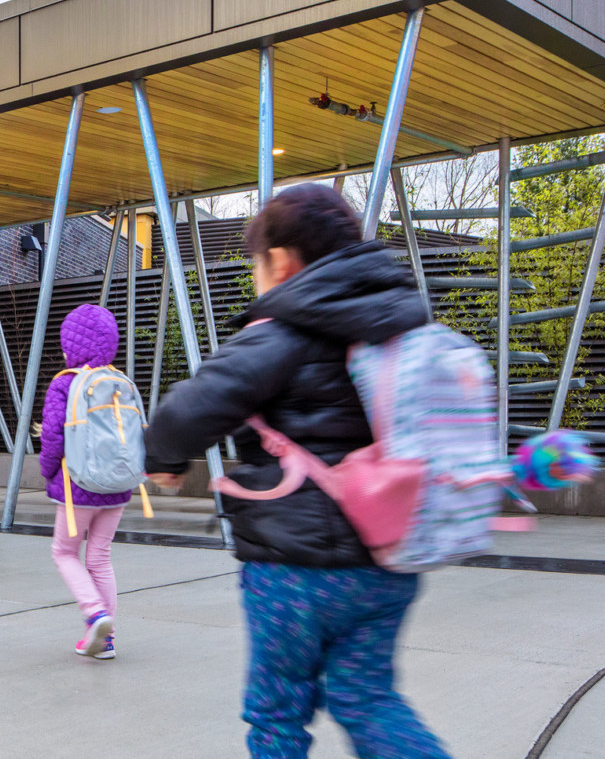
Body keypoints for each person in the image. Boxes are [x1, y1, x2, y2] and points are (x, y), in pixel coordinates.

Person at [143, 184, 448, 759]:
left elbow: (183, 414)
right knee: (369, 700)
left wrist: (163, 460)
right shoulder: (400, 331)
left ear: (280, 262)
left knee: (278, 712)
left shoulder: (280, 334)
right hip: (388, 559)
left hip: (295, 571)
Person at [39, 304, 131, 660]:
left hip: (78, 486)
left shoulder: (65, 382)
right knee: (100, 558)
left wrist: (48, 472)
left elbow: (52, 438)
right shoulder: (120, 382)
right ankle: (104, 640)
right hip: (118, 485)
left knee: (64, 552)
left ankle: (94, 614)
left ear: (70, 345)